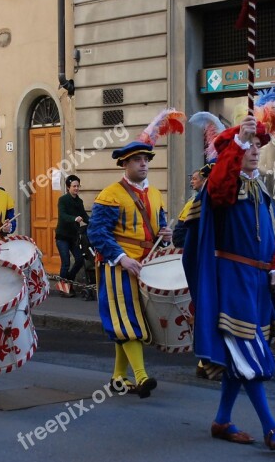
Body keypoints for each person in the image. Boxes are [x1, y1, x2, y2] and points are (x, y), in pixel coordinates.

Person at [182, 114, 275, 451]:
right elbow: (218, 187)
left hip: (257, 282)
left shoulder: (259, 188)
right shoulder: (225, 186)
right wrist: (238, 142)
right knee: (250, 354)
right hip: (232, 280)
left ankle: (222, 420)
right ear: (234, 149)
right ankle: (271, 428)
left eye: (258, 145)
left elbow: (272, 238)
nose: (256, 150)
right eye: (250, 145)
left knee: (238, 358)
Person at [87, 108, 183, 398]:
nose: (144, 164)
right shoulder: (109, 195)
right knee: (128, 320)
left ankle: (118, 377)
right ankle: (141, 377)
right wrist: (121, 258)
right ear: (124, 164)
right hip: (119, 267)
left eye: (146, 159)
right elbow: (97, 233)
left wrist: (165, 235)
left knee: (129, 321)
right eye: (138, 160)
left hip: (146, 264)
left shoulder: (155, 193)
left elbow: (160, 226)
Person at [55, 174, 90, 297]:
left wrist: (93, 224)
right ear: (68, 187)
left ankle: (68, 280)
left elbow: (84, 215)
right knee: (65, 262)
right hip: (62, 237)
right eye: (74, 186)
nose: (76, 188)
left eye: (78, 186)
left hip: (74, 237)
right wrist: (74, 218)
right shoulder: (63, 200)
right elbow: (63, 216)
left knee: (79, 260)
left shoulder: (79, 201)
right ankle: (63, 289)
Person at [173, 169, 205, 248]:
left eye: (194, 179)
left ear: (204, 181)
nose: (191, 181)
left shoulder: (200, 200)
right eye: (191, 179)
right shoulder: (193, 199)